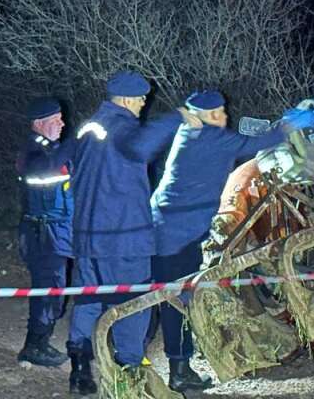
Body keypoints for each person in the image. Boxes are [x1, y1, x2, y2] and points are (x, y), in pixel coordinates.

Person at [65, 71, 198, 395]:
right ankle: (129, 371)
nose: (143, 103)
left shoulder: (89, 128)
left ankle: (80, 369)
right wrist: (180, 117)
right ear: (124, 99)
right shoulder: (125, 130)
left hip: (87, 236)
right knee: (134, 303)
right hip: (123, 237)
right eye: (140, 98)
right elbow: (144, 143)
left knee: (89, 299)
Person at [148, 90, 284, 391]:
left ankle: (174, 367)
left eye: (223, 111)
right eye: (217, 113)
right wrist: (291, 124)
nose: (224, 117)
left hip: (172, 228)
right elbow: (256, 143)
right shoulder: (209, 138)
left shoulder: (191, 132)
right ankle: (174, 371)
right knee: (173, 300)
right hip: (175, 234)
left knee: (169, 298)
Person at [15, 97, 74, 367]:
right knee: (47, 290)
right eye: (56, 120)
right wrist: (77, 142)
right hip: (42, 235)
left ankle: (42, 340)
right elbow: (42, 174)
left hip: (58, 232)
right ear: (39, 124)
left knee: (56, 290)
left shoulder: (54, 149)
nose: (63, 124)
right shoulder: (33, 153)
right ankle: (34, 346)